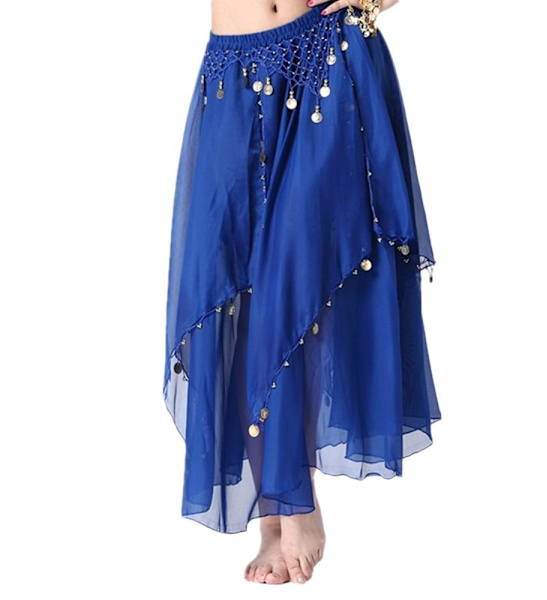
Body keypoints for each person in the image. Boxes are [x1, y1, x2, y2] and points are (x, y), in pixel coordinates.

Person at [163, 0, 442, 585]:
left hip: (326, 57)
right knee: (235, 284)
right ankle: (275, 501)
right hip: (231, 72)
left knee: (292, 279)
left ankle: (294, 501)